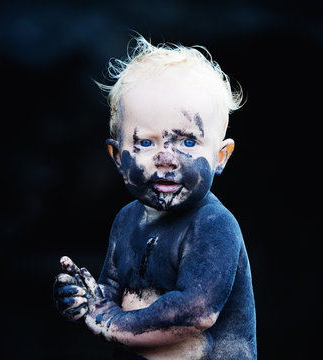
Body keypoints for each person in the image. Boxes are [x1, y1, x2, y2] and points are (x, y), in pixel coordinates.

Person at [53, 36, 256, 360]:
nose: (166, 158)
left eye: (188, 143)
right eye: (146, 143)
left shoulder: (214, 226)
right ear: (118, 156)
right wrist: (87, 300)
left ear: (220, 156)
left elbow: (195, 312)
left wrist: (111, 322)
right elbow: (112, 298)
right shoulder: (126, 222)